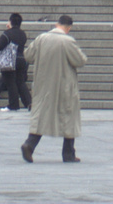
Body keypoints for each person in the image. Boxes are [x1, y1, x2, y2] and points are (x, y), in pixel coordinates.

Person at [21, 15, 86, 163]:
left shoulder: (41, 38)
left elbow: (28, 56)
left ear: (57, 24)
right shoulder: (67, 41)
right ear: (68, 27)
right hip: (64, 86)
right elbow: (80, 60)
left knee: (41, 117)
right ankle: (68, 153)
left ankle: (29, 145)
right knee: (69, 117)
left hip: (43, 85)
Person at [0, 13, 31, 113]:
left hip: (9, 60)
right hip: (21, 59)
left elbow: (0, 45)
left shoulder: (7, 33)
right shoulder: (23, 34)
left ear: (11, 21)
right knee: (20, 82)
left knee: (10, 82)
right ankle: (29, 103)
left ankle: (13, 105)